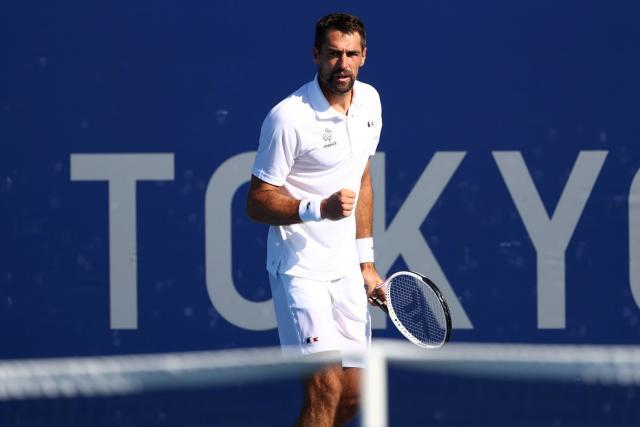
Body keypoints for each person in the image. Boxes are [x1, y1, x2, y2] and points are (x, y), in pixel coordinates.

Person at [246, 12, 385, 426]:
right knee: (325, 386)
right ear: (315, 55)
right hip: (300, 271)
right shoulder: (288, 117)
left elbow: (362, 176)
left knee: (354, 395)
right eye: (332, 54)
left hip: (346, 271)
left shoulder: (371, 103)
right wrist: (315, 208)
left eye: (350, 54)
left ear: (363, 57)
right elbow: (257, 201)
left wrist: (365, 261)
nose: (341, 64)